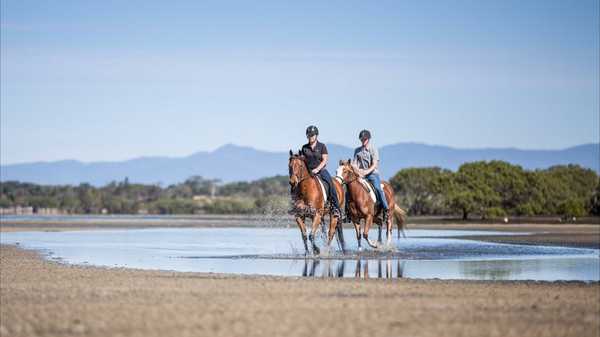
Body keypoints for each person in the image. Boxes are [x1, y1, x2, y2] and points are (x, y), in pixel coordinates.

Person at [300, 125, 342, 217]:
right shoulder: (304, 148)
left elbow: (325, 160)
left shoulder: (322, 146)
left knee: (331, 184)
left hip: (321, 170)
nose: (310, 137)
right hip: (308, 172)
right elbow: (302, 161)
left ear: (316, 136)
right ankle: (297, 205)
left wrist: (317, 169)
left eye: (312, 135)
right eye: (309, 135)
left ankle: (336, 208)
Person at [350, 129, 389, 222]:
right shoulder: (357, 151)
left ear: (368, 139)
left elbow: (375, 164)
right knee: (350, 188)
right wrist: (357, 171)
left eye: (365, 139)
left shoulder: (373, 149)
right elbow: (354, 164)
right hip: (361, 175)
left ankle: (385, 209)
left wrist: (366, 172)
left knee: (378, 189)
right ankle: (348, 212)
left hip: (372, 174)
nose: (363, 141)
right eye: (362, 139)